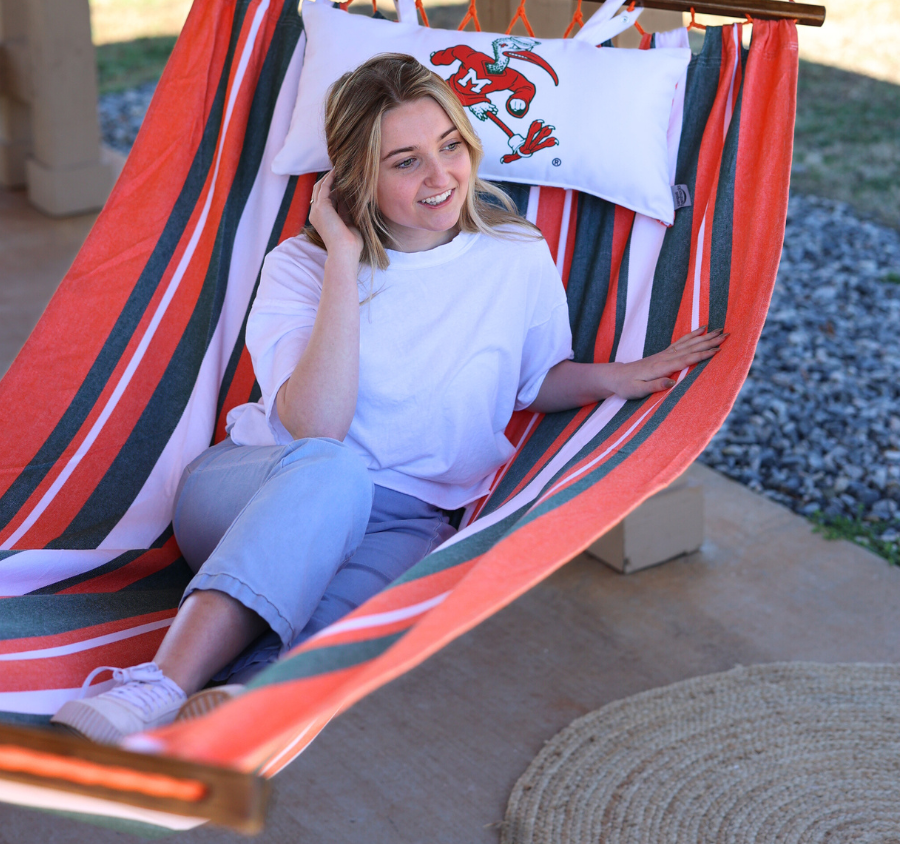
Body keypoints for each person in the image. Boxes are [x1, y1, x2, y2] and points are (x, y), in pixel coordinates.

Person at [52, 53, 726, 744]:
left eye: (451, 146)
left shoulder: (516, 255)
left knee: (332, 639)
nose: (441, 178)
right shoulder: (300, 267)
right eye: (405, 162)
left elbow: (532, 381)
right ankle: (159, 685)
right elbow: (316, 428)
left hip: (408, 517)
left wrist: (616, 376)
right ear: (356, 179)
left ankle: (239, 704)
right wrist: (343, 259)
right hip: (258, 489)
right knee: (332, 467)